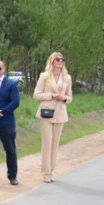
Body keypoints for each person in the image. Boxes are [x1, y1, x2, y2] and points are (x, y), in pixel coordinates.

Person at [33, 51, 73, 183]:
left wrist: (64, 98)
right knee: (47, 142)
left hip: (60, 113)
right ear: (52, 61)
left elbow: (70, 97)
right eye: (57, 59)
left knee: (55, 144)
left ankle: (52, 171)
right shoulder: (44, 76)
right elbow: (36, 95)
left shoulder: (67, 78)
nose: (60, 61)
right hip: (47, 112)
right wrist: (51, 95)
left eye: (62, 59)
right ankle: (46, 172)